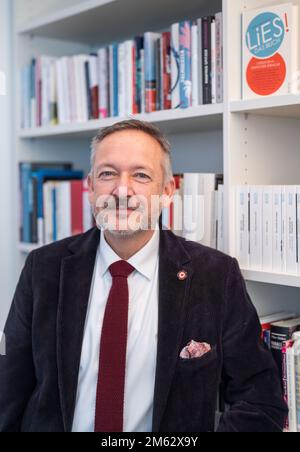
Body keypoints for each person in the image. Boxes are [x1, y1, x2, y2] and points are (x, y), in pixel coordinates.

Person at [0, 119, 287, 432]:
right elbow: (10, 388)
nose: (122, 190)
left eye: (140, 175)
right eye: (108, 173)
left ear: (166, 192)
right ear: (91, 188)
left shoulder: (215, 276)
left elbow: (260, 399)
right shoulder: (43, 268)